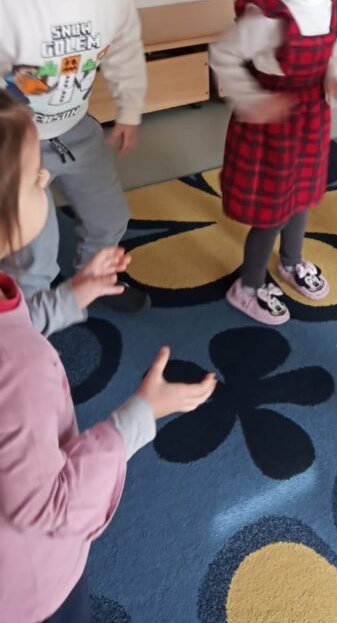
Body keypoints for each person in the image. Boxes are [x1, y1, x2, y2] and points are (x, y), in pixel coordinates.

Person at [0, 91, 217, 623]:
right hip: (29, 589)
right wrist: (140, 414)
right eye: (31, 177)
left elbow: (14, 323)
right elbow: (50, 508)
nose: (45, 179)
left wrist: (73, 295)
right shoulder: (20, 371)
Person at [0, 0, 150, 316]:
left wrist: (129, 110)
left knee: (110, 217)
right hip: (17, 145)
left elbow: (124, 44)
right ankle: (28, 325)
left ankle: (93, 283)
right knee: (32, 250)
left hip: (77, 129)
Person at [209, 0, 337, 325]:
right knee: (272, 210)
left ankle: (291, 262)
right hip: (270, 126)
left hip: (312, 118)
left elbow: (332, 47)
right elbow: (222, 55)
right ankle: (248, 286)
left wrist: (334, 78)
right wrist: (253, 101)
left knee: (303, 194)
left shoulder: (336, 0)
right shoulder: (269, 15)